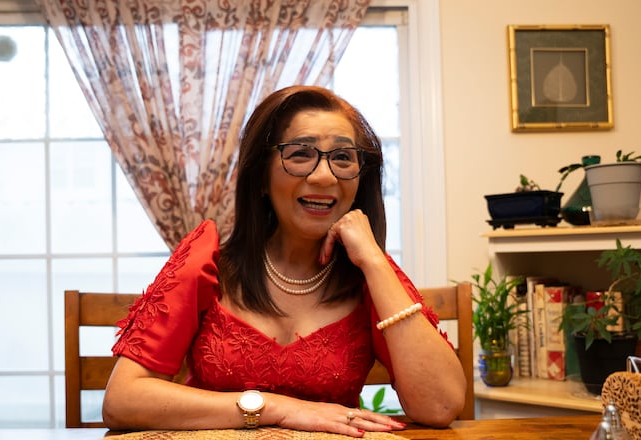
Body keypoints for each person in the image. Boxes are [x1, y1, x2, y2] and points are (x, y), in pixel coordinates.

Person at [102, 85, 466, 436]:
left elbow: (440, 407)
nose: (324, 176)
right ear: (260, 176)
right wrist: (280, 408)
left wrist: (372, 258)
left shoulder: (371, 274)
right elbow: (122, 400)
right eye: (299, 155)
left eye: (342, 158)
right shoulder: (206, 262)